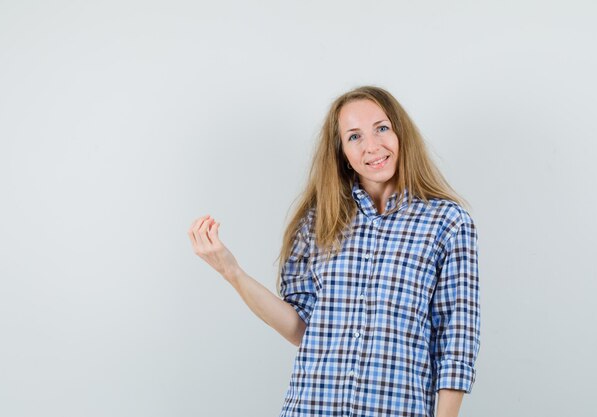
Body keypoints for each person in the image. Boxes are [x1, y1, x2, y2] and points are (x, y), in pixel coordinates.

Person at [188, 85, 481, 417]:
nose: (372, 146)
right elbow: (300, 328)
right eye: (354, 136)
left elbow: (456, 343)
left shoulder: (448, 223)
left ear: (401, 133)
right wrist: (232, 272)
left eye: (382, 128)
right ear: (341, 151)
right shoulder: (318, 220)